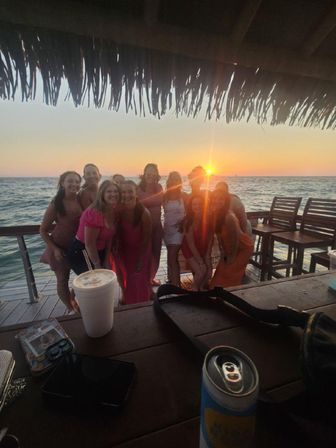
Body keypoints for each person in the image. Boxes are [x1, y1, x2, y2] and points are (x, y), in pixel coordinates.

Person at [40, 171, 83, 311]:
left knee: (85, 275)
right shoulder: (56, 203)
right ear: (62, 183)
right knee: (63, 280)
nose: (74, 184)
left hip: (78, 247)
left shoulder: (80, 199)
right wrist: (55, 249)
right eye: (70, 181)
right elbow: (43, 230)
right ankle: (70, 307)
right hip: (60, 248)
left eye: (77, 181)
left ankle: (73, 298)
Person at [67, 179, 120, 274]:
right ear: (102, 194)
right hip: (83, 252)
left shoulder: (113, 210)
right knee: (93, 282)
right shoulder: (94, 213)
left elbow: (109, 237)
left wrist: (106, 258)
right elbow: (89, 244)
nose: (113, 194)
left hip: (100, 250)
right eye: (109, 191)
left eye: (116, 191)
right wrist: (97, 264)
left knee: (102, 279)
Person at [116, 180, 152, 304]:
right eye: (123, 192)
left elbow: (146, 239)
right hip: (124, 250)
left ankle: (142, 304)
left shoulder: (144, 213)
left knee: (140, 278)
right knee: (127, 278)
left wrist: (141, 259)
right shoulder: (118, 210)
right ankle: (128, 301)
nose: (127, 195)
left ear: (136, 193)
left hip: (140, 250)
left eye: (130, 191)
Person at [210, 188, 254, 288]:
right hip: (229, 249)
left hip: (242, 248)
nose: (217, 200)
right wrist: (223, 252)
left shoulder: (228, 217)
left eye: (220, 199)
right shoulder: (216, 214)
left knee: (229, 275)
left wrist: (231, 258)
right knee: (217, 278)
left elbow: (235, 239)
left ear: (225, 201)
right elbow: (219, 235)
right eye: (215, 198)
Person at [137, 163, 164, 285]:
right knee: (145, 255)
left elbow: (160, 200)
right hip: (143, 228)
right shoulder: (138, 188)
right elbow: (155, 200)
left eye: (153, 173)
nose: (151, 175)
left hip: (157, 226)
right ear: (144, 174)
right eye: (149, 173)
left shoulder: (159, 187)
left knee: (156, 254)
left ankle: (151, 278)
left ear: (156, 175)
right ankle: (144, 281)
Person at [181, 194, 213, 291]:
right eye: (194, 204)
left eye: (200, 204)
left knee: (209, 272)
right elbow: (191, 244)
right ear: (190, 206)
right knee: (201, 272)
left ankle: (201, 287)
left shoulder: (208, 218)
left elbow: (210, 238)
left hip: (202, 246)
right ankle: (194, 289)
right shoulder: (188, 222)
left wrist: (207, 255)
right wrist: (200, 261)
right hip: (189, 249)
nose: (197, 206)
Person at [163, 171, 188, 286]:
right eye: (172, 179)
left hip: (179, 231)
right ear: (168, 181)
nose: (174, 181)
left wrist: (183, 222)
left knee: (172, 257)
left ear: (180, 182)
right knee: (170, 257)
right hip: (167, 230)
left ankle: (176, 285)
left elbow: (190, 213)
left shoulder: (184, 196)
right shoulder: (164, 196)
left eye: (176, 179)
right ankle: (172, 281)